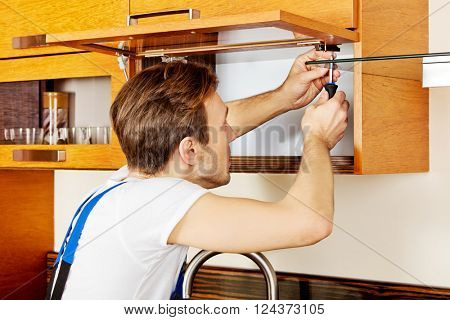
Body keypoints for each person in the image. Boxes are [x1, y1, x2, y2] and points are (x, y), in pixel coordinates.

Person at [57, 49, 349, 299]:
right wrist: (317, 138)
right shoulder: (158, 201)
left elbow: (207, 127)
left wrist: (285, 96)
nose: (231, 132)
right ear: (191, 152)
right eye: (224, 129)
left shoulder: (125, 186)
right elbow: (310, 223)